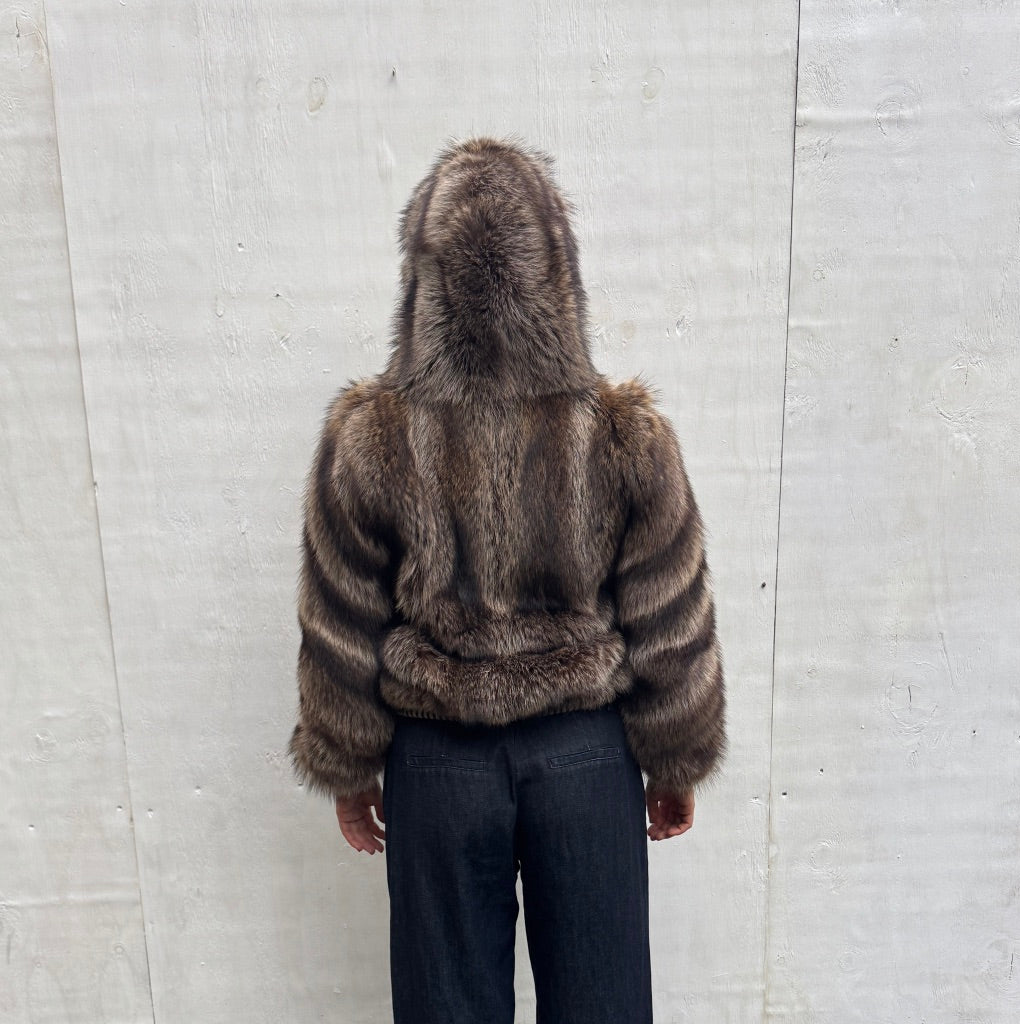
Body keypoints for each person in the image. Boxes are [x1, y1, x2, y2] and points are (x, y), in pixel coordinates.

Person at [288, 136, 726, 1024]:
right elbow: (671, 617)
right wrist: (675, 757)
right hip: (585, 758)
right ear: (558, 277)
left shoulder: (369, 439)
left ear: (423, 281)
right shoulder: (625, 435)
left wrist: (347, 763)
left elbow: (340, 619)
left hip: (437, 768)